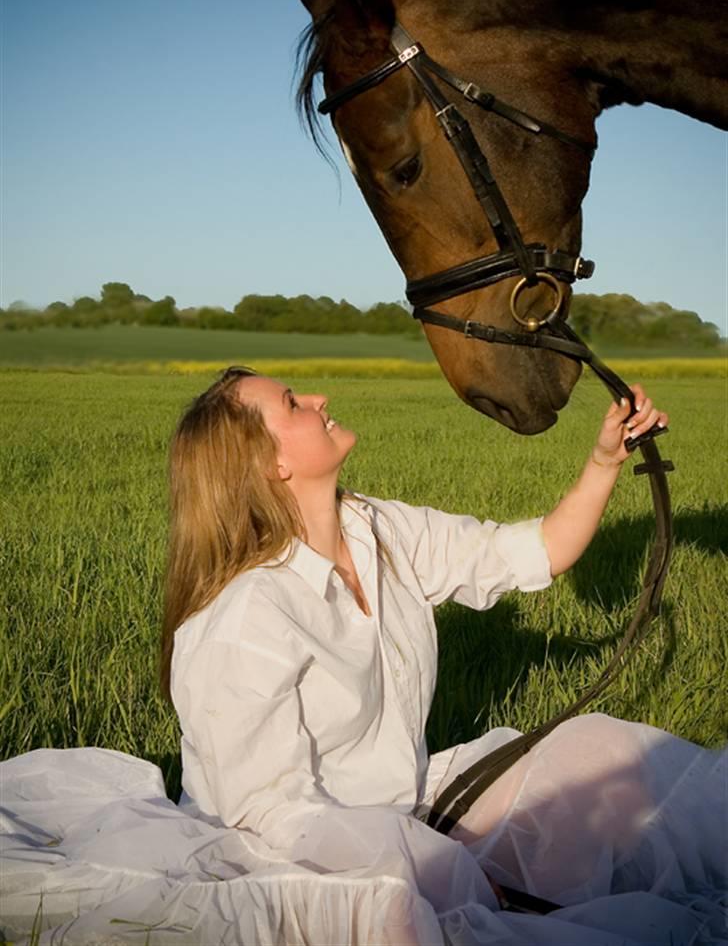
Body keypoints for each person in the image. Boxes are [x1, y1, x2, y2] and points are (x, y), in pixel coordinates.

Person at [2, 368, 725, 946]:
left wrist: (603, 462)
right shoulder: (243, 617)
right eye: (292, 403)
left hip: (406, 803)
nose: (318, 399)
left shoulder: (377, 528)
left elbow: (530, 551)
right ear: (271, 463)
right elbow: (268, 814)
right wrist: (422, 863)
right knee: (401, 916)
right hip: (290, 853)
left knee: (600, 749)